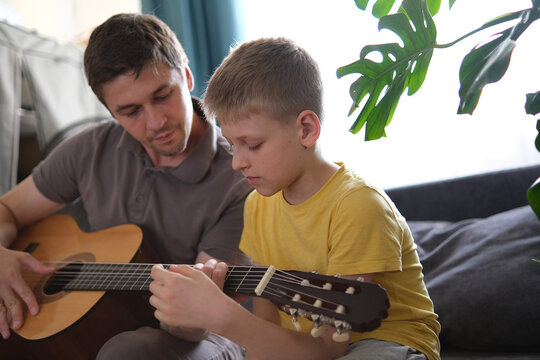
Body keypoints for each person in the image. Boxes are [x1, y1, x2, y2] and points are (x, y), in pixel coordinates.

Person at [149, 37, 441, 360]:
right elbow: (268, 329)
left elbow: (329, 348)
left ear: (305, 129)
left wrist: (222, 316)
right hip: (304, 347)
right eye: (233, 146)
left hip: (386, 343)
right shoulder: (257, 205)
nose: (237, 162)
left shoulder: (358, 206)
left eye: (253, 144)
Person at [0, 13, 251, 359]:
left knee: (127, 352)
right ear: (110, 112)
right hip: (98, 319)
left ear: (188, 77)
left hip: (203, 336)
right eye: (131, 111)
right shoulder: (89, 148)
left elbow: (195, 323)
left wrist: (190, 304)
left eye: (163, 95)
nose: (156, 122)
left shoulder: (240, 180)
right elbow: (7, 209)